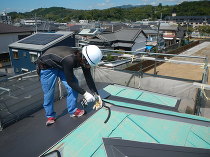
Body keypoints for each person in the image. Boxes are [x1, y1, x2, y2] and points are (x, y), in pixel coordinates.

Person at [36, 45, 103, 126]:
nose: (88, 66)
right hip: (46, 67)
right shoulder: (69, 60)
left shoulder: (84, 59)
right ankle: (50, 116)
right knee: (49, 92)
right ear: (84, 58)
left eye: (89, 65)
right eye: (88, 64)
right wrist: (85, 94)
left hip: (60, 65)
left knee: (75, 85)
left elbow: (88, 78)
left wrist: (96, 94)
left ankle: (73, 110)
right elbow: (70, 82)